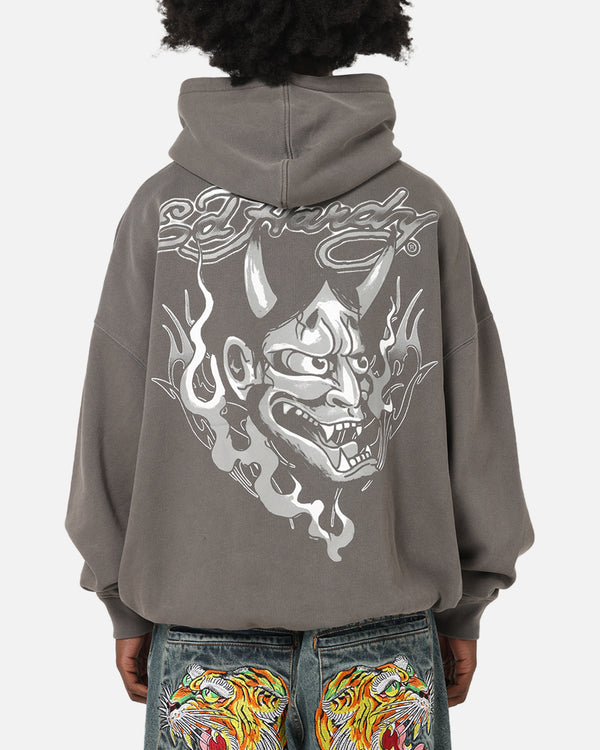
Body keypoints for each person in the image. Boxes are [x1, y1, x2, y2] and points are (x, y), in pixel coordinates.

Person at [64, 2, 535, 749]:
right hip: (384, 639)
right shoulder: (420, 208)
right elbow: (475, 420)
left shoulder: (162, 210)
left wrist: (121, 598)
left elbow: (112, 419)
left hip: (204, 637)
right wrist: (470, 603)